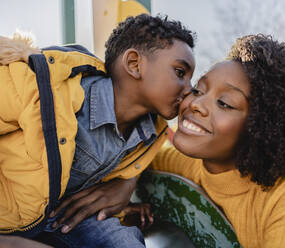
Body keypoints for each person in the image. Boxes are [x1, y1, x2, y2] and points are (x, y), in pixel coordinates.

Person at [151, 34, 285, 248]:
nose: (195, 103)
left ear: (264, 126)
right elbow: (142, 162)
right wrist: (125, 183)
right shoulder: (186, 165)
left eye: (225, 103)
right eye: (198, 89)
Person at [0, 14, 195, 247]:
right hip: (7, 217)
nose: (189, 91)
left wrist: (128, 186)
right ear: (134, 64)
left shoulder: (150, 136)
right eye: (180, 73)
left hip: (63, 219)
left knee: (122, 240)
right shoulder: (43, 87)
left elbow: (104, 180)